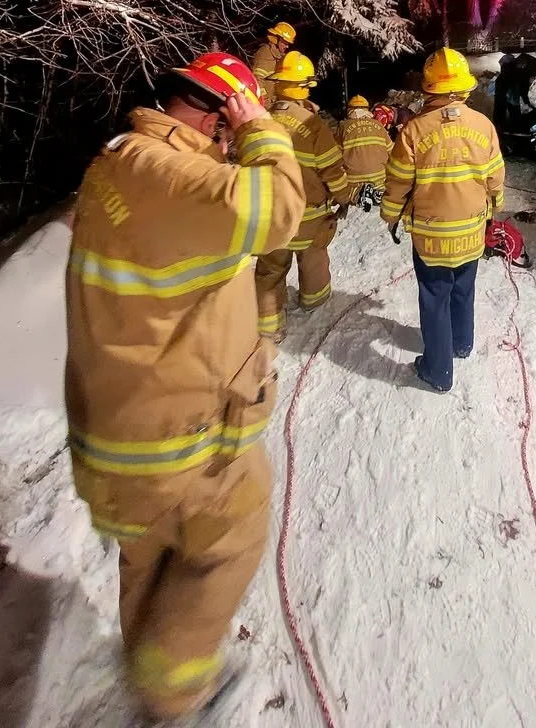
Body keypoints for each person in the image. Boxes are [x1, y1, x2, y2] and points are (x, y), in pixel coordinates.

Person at [65, 52, 305, 723]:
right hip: (182, 444)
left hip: (120, 434)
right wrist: (263, 131)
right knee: (232, 537)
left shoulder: (120, 162)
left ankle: (149, 665)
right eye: (231, 128)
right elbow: (278, 209)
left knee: (147, 560)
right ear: (221, 118)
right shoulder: (171, 176)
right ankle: (174, 695)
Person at [381, 47, 505, 393]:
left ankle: (438, 371)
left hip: (432, 234)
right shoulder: (484, 126)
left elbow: (398, 182)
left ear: (429, 89)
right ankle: (461, 344)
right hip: (471, 230)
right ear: (464, 88)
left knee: (435, 297)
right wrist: (493, 212)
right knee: (464, 288)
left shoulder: (413, 132)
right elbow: (495, 178)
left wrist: (390, 215)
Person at [255, 51, 348, 337]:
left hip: (271, 217)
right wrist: (345, 197)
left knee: (270, 269)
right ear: (305, 87)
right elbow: (333, 171)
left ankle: (269, 325)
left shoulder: (260, 123)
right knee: (313, 257)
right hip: (308, 217)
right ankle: (314, 300)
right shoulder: (314, 127)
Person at [336, 94, 392, 205]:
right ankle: (379, 191)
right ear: (367, 110)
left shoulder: (343, 127)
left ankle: (357, 193)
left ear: (349, 110)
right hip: (380, 179)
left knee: (336, 185)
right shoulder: (379, 125)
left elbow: (334, 157)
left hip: (354, 181)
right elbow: (392, 151)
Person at [251, 21, 296, 106]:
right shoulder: (265, 53)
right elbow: (257, 80)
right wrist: (265, 101)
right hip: (264, 104)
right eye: (285, 43)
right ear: (276, 39)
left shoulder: (280, 56)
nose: (287, 46)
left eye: (288, 44)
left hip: (275, 103)